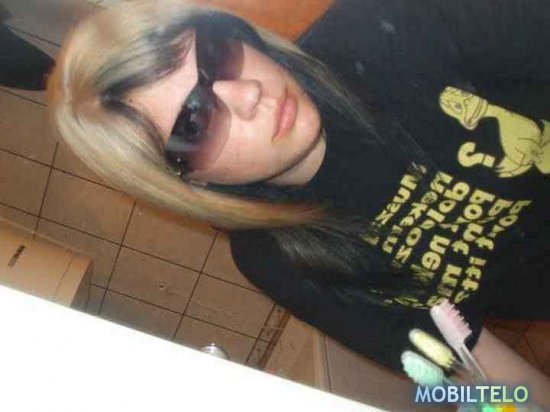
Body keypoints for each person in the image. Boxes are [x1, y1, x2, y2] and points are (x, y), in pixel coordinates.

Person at [47, 0, 550, 406]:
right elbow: (476, 376)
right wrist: (493, 402)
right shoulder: (277, 261)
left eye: (216, 52)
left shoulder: (392, 26)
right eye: (193, 124)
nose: (248, 93)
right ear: (189, 184)